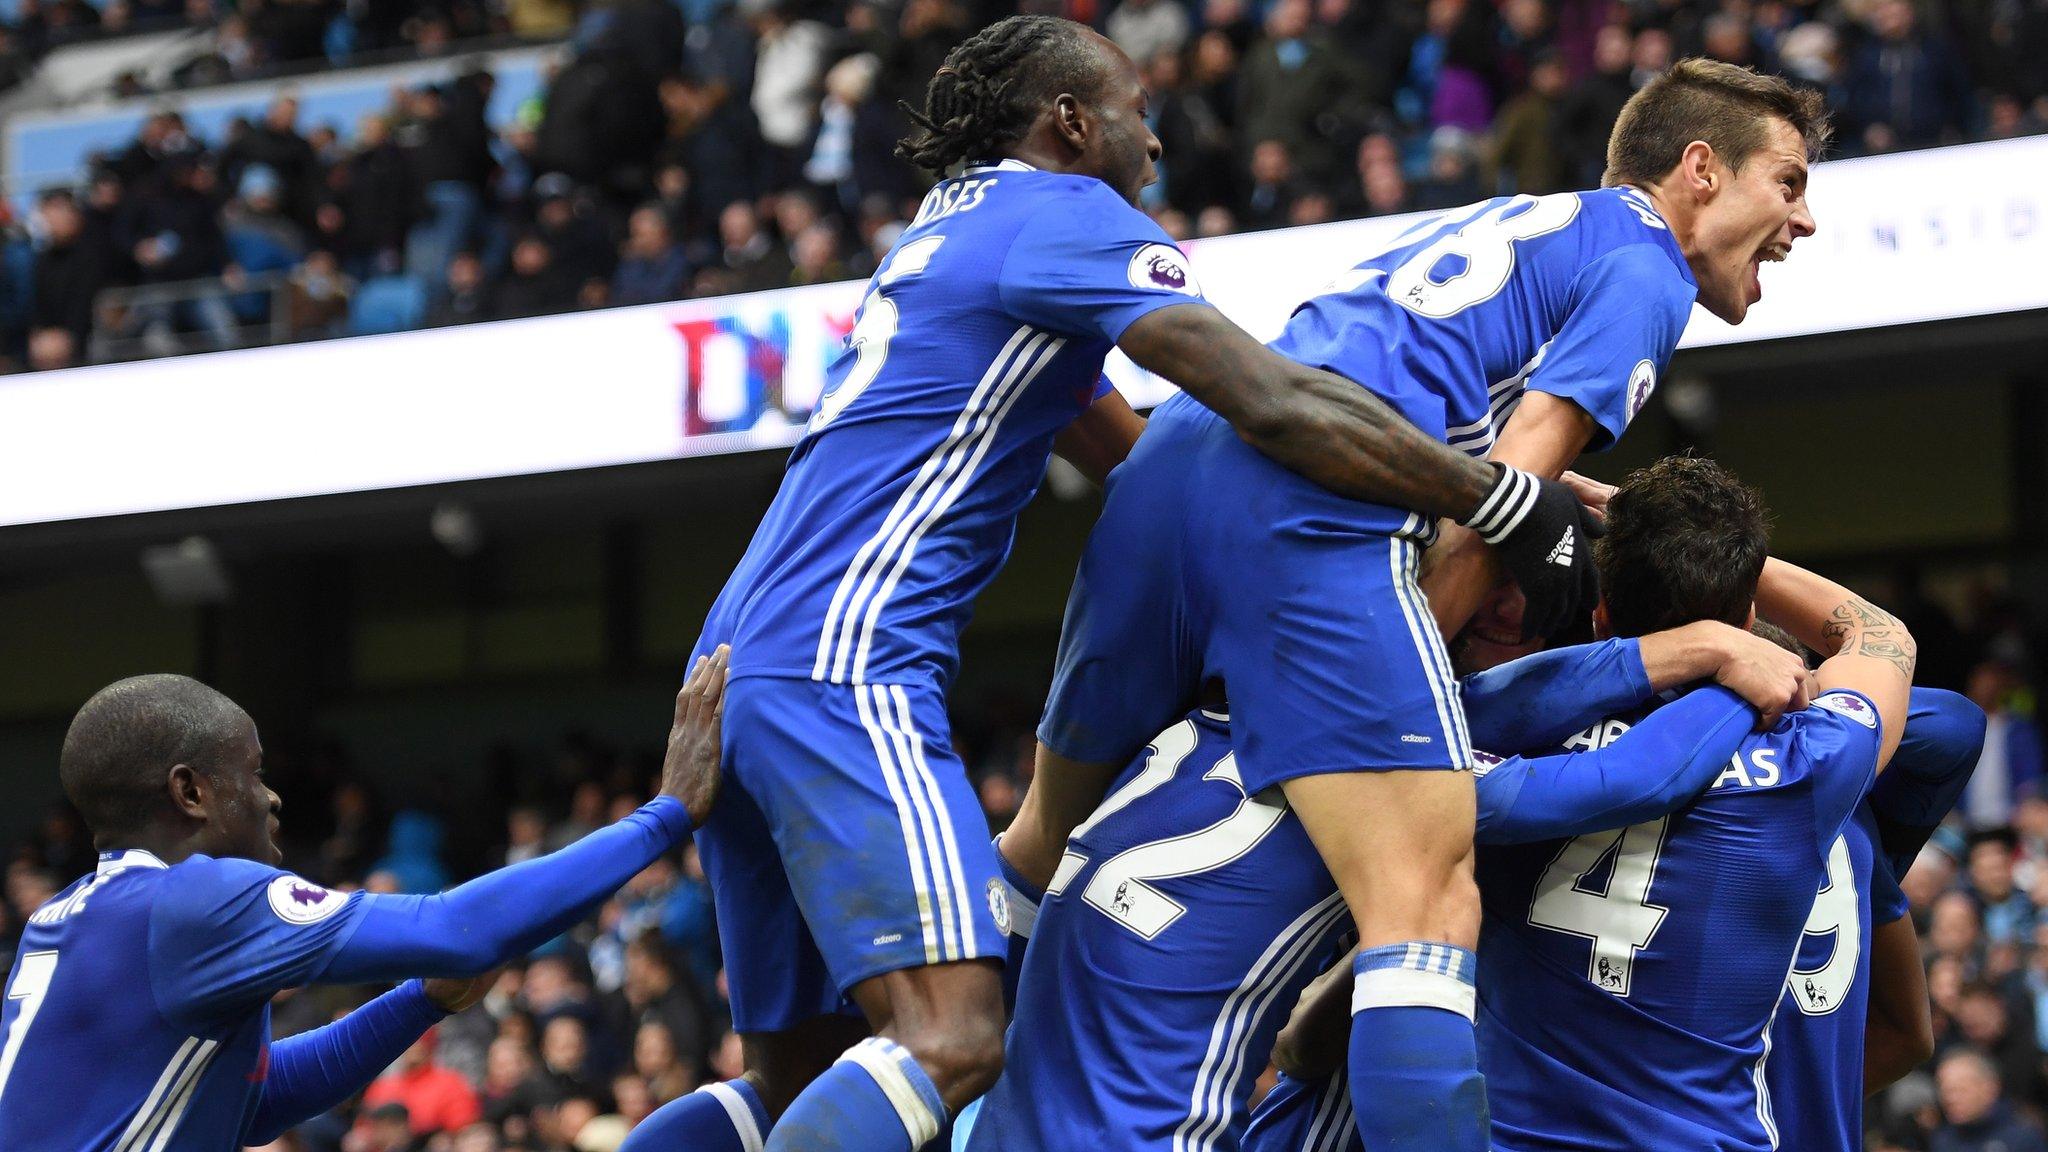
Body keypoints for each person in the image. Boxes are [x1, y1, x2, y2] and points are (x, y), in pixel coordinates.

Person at [662, 16, 1606, 1152]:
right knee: (952, 1041)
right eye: (1134, 112)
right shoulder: (1070, 215)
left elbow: (1158, 456)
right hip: (844, 664)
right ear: (1068, 121)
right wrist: (1494, 495)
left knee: (793, 1087)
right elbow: (1266, 404)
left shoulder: (944, 235)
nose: (1153, 146)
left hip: (735, 662)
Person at [1002, 58, 1829, 1152]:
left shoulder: (1526, 218)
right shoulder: (1647, 274)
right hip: (1314, 499)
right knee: (1427, 897)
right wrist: (1418, 690)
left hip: (1179, 464)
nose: (1802, 218)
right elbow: (1511, 499)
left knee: (1036, 836)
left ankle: (923, 1075)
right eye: (1787, 183)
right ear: (1698, 171)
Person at [964, 588, 1813, 1150]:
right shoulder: (1380, 784)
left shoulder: (1191, 715)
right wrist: (1717, 662)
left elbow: (1488, 705)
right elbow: (1627, 779)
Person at [1243, 456, 1916, 1151]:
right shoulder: (1813, 763)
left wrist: (1672, 600)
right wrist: (1718, 570)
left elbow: (1441, 711)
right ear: (1749, 614)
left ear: (1598, 618)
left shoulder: (1490, 753)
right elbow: (1878, 634)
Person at [0, 652, 728, 1150]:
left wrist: (421, 1001)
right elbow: (458, 928)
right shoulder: (192, 901)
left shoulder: (62, 920)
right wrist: (663, 816)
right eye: (252, 774)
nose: (271, 796)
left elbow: (254, 1100)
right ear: (190, 792)